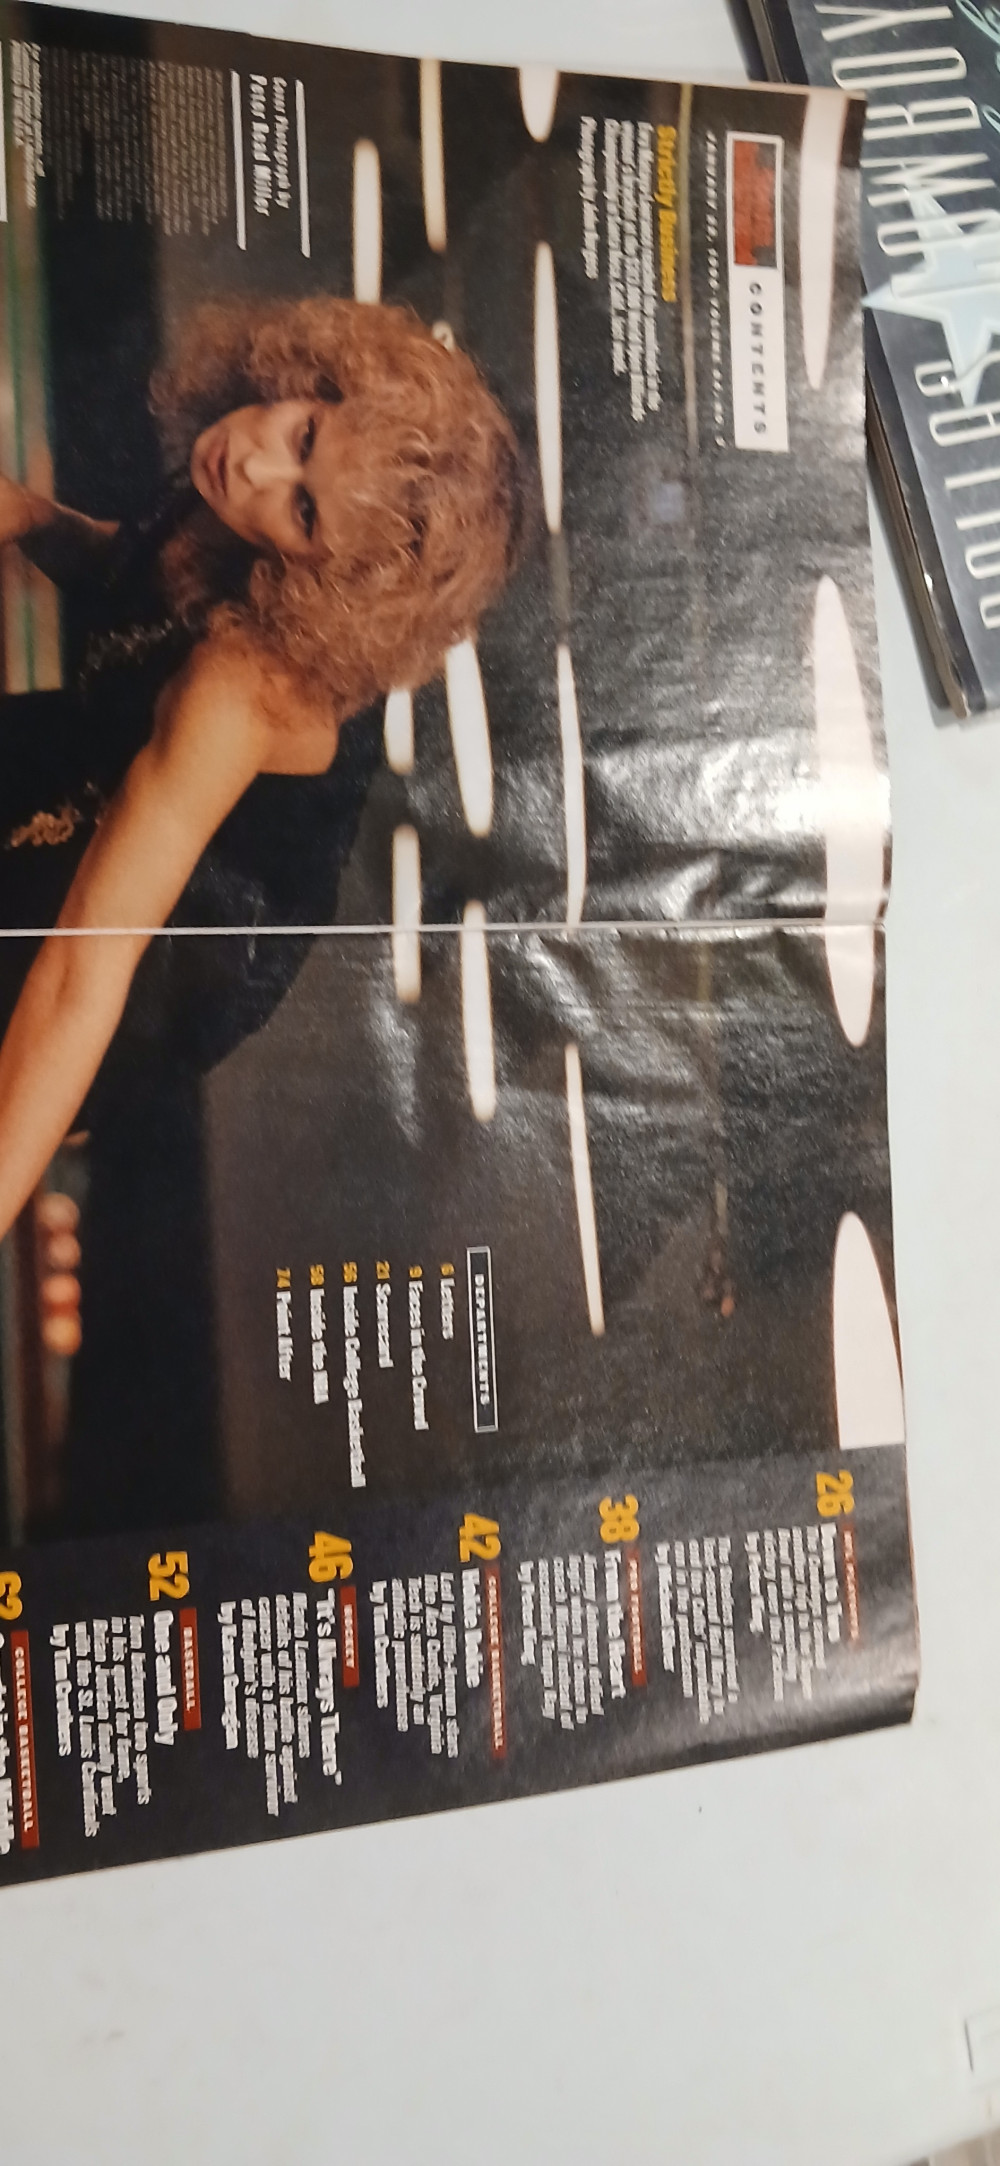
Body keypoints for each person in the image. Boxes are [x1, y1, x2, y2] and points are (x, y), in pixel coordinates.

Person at [0, 293, 522, 1242]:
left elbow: (84, 971)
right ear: (315, 380)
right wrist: (39, 520)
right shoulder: (229, 490)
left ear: (322, 574)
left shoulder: (243, 689)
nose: (254, 465)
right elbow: (147, 581)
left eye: (303, 507)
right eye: (305, 432)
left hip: (193, 926)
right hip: (128, 753)